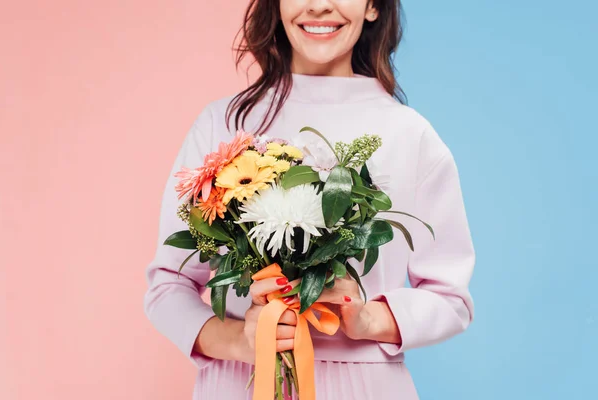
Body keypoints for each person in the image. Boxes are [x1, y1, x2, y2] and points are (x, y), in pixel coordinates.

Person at [143, 0, 475, 399]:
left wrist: (365, 318)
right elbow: (168, 284)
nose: (319, 5)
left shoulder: (410, 134)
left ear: (373, 6)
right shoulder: (222, 123)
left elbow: (450, 298)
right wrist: (242, 342)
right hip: (237, 384)